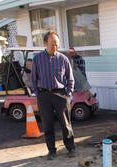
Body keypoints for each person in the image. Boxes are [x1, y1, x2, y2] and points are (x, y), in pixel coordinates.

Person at [31, 31, 75, 160]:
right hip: (44, 95)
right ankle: (51, 151)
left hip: (60, 95)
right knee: (47, 124)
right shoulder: (37, 59)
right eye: (52, 45)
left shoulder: (63, 58)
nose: (54, 47)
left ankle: (71, 148)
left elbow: (70, 78)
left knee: (66, 124)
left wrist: (68, 93)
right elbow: (33, 78)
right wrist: (37, 93)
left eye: (56, 45)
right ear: (45, 43)